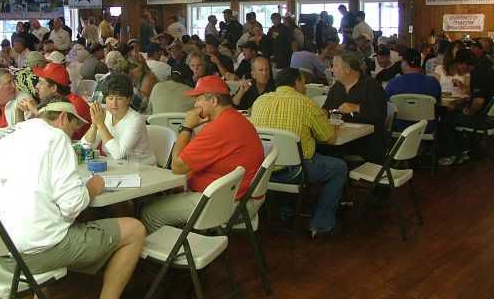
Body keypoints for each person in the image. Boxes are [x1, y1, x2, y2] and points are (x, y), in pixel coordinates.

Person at [0, 97, 146, 299]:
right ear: (62, 118)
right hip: (33, 254)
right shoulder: (56, 138)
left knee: (42, 220)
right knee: (135, 230)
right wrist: (91, 188)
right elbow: (72, 205)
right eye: (72, 129)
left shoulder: (4, 142)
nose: (71, 136)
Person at [140, 75, 263, 233]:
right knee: (170, 194)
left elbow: (177, 167)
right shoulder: (235, 118)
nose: (195, 105)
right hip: (239, 198)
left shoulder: (219, 128)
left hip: (227, 205)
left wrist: (186, 127)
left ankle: (174, 249)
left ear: (214, 101)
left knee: (149, 213)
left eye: (198, 99)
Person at [251, 68, 346, 237]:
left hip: (263, 170)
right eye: (304, 82)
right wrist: (334, 127)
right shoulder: (306, 103)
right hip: (296, 172)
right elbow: (329, 139)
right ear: (296, 82)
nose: (306, 87)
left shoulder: (259, 101)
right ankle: (321, 224)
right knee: (339, 167)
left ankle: (285, 211)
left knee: (288, 159)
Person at [323, 51, 387, 164]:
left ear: (347, 69)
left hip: (367, 141)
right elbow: (327, 109)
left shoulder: (371, 86)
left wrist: (357, 108)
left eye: (335, 66)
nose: (332, 69)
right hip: (341, 138)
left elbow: (380, 114)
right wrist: (320, 113)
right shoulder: (336, 87)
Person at [83, 73, 156, 165]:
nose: (114, 104)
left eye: (119, 98)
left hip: (143, 168)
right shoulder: (105, 115)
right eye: (110, 98)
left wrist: (101, 125)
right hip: (116, 167)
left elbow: (119, 155)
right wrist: (94, 125)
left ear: (129, 99)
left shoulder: (136, 120)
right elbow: (85, 148)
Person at [438, 51, 494, 166]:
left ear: (464, 63)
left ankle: (452, 154)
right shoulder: (483, 69)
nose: (457, 68)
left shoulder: (478, 75)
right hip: (488, 116)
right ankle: (464, 151)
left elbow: (478, 102)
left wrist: (469, 112)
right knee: (455, 114)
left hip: (482, 119)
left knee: (446, 120)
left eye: (458, 65)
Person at [19, 62, 91, 140]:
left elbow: (58, 138)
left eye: (41, 83)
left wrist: (36, 111)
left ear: (53, 88)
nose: (37, 86)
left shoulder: (74, 105)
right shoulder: (54, 101)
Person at [385, 49, 441, 132]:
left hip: (400, 128)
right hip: (427, 127)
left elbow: (386, 104)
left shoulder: (393, 83)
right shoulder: (433, 82)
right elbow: (438, 103)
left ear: (405, 63)